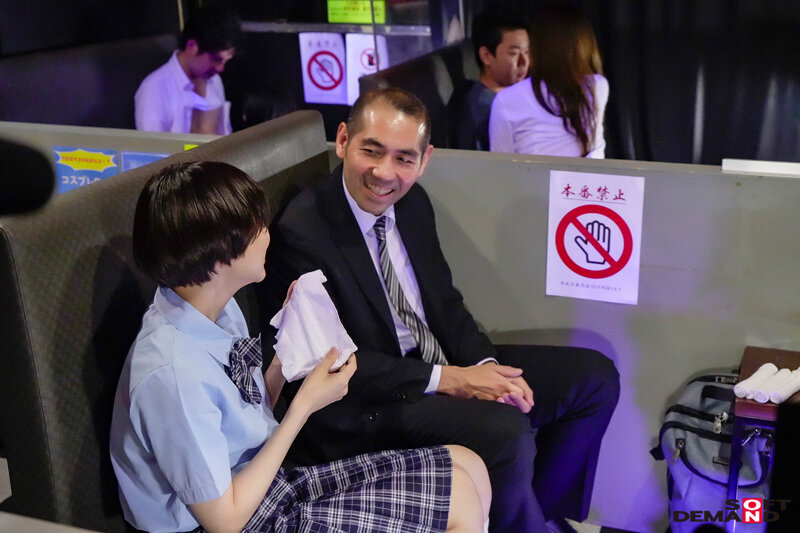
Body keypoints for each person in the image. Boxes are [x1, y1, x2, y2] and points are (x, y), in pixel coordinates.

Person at [259, 88, 620, 533]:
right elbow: (333, 361)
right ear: (343, 140)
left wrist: (486, 368)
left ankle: (537, 516)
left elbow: (445, 304)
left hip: (433, 364)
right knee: (504, 430)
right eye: (371, 151)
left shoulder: (412, 204)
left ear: (424, 160)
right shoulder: (305, 229)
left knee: (594, 379)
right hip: (364, 402)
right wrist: (452, 380)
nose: (384, 172)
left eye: (403, 158)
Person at [109, 161, 491, 533]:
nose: (267, 235)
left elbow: (246, 417)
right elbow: (224, 521)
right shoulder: (171, 375)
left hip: (263, 485)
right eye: (257, 227)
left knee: (469, 466)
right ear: (222, 251)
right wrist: (305, 405)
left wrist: (285, 353)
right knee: (459, 500)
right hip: (229, 518)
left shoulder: (216, 308)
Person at [489, 3, 609, 158]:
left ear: (536, 46)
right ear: (584, 45)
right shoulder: (597, 86)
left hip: (529, 174)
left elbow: (500, 164)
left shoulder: (506, 100)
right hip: (588, 175)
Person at [134, 6, 239, 135]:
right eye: (216, 59)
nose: (220, 68)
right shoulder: (154, 89)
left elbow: (225, 134)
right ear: (191, 46)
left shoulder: (214, 80)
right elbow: (151, 146)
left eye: (225, 61)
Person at [451, 13, 529, 151]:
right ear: (486, 56)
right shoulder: (482, 110)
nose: (524, 62)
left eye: (527, 52)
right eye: (514, 53)